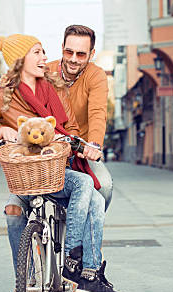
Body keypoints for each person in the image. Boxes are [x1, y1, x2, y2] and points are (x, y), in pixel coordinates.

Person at [0, 34, 123, 292]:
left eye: (43, 52)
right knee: (13, 210)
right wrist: (1, 132)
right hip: (26, 173)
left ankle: (81, 267)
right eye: (37, 53)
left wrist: (75, 142)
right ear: (20, 59)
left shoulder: (54, 87)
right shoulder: (4, 93)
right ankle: (24, 287)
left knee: (98, 194)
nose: (44, 59)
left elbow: (73, 125)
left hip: (54, 169)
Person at [47, 25, 114, 210]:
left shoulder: (96, 75)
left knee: (105, 187)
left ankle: (86, 225)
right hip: (48, 150)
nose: (73, 59)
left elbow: (97, 113)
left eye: (81, 54)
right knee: (17, 206)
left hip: (81, 149)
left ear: (91, 54)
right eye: (69, 52)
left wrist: (93, 145)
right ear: (62, 48)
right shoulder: (45, 71)